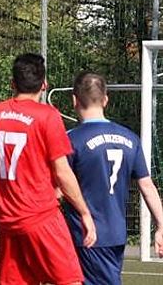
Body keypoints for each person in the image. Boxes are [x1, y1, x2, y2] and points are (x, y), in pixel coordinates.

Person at [0, 52, 96, 285]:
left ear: (12, 84)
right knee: (71, 281)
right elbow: (62, 172)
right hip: (42, 218)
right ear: (44, 85)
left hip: (9, 224)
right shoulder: (48, 116)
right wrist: (85, 213)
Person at [64, 71, 163, 284]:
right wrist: (161, 226)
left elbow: (58, 186)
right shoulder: (130, 138)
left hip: (87, 233)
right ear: (105, 100)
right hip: (116, 232)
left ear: (74, 100)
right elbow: (147, 186)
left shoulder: (71, 140)